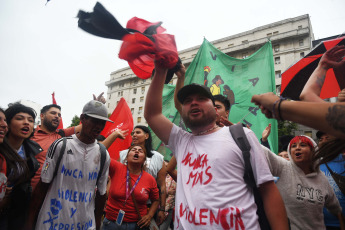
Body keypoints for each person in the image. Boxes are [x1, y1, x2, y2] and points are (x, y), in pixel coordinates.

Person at [144, 62, 288, 229]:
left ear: (214, 108)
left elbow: (268, 190)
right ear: (182, 112)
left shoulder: (241, 136)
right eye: (188, 101)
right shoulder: (181, 141)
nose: (193, 103)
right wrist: (161, 70)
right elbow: (152, 114)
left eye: (201, 99)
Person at [26, 100, 112, 230]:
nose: (99, 126)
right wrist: (30, 222)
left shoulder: (103, 154)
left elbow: (101, 194)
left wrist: (97, 224)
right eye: (94, 120)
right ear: (82, 118)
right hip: (52, 222)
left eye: (102, 122)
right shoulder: (61, 145)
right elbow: (42, 186)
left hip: (85, 224)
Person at [263, 135, 344, 229]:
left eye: (302, 145)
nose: (297, 148)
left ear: (313, 151)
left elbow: (336, 209)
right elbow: (263, 152)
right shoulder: (283, 168)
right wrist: (245, 133)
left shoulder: (322, 179)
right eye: (293, 146)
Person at [30, 92, 104, 191]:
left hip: (54, 193)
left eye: (59, 114)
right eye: (53, 113)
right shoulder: (30, 136)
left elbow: (87, 125)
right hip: (30, 193)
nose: (57, 116)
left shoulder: (62, 134)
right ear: (42, 116)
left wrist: (96, 107)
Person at [0, 104, 42, 230]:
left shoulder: (31, 150)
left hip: (18, 213)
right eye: (20, 118)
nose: (26, 123)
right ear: (7, 123)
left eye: (30, 120)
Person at [118, 126, 167, 225]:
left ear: (146, 136)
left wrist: (162, 209)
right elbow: (116, 178)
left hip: (147, 207)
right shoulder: (123, 154)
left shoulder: (158, 158)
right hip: (122, 203)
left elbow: (162, 185)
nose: (134, 135)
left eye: (138, 132)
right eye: (133, 133)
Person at [102, 145, 159, 230]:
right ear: (127, 157)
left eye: (140, 151)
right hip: (112, 223)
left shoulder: (149, 179)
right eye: (133, 150)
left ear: (144, 159)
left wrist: (149, 216)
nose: (137, 151)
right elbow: (101, 154)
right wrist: (115, 135)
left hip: (137, 225)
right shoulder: (116, 168)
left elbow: (156, 200)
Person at [159, 160, 176, 230]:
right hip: (157, 209)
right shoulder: (158, 177)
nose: (165, 169)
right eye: (164, 167)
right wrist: (168, 192)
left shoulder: (174, 179)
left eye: (167, 167)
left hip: (169, 209)